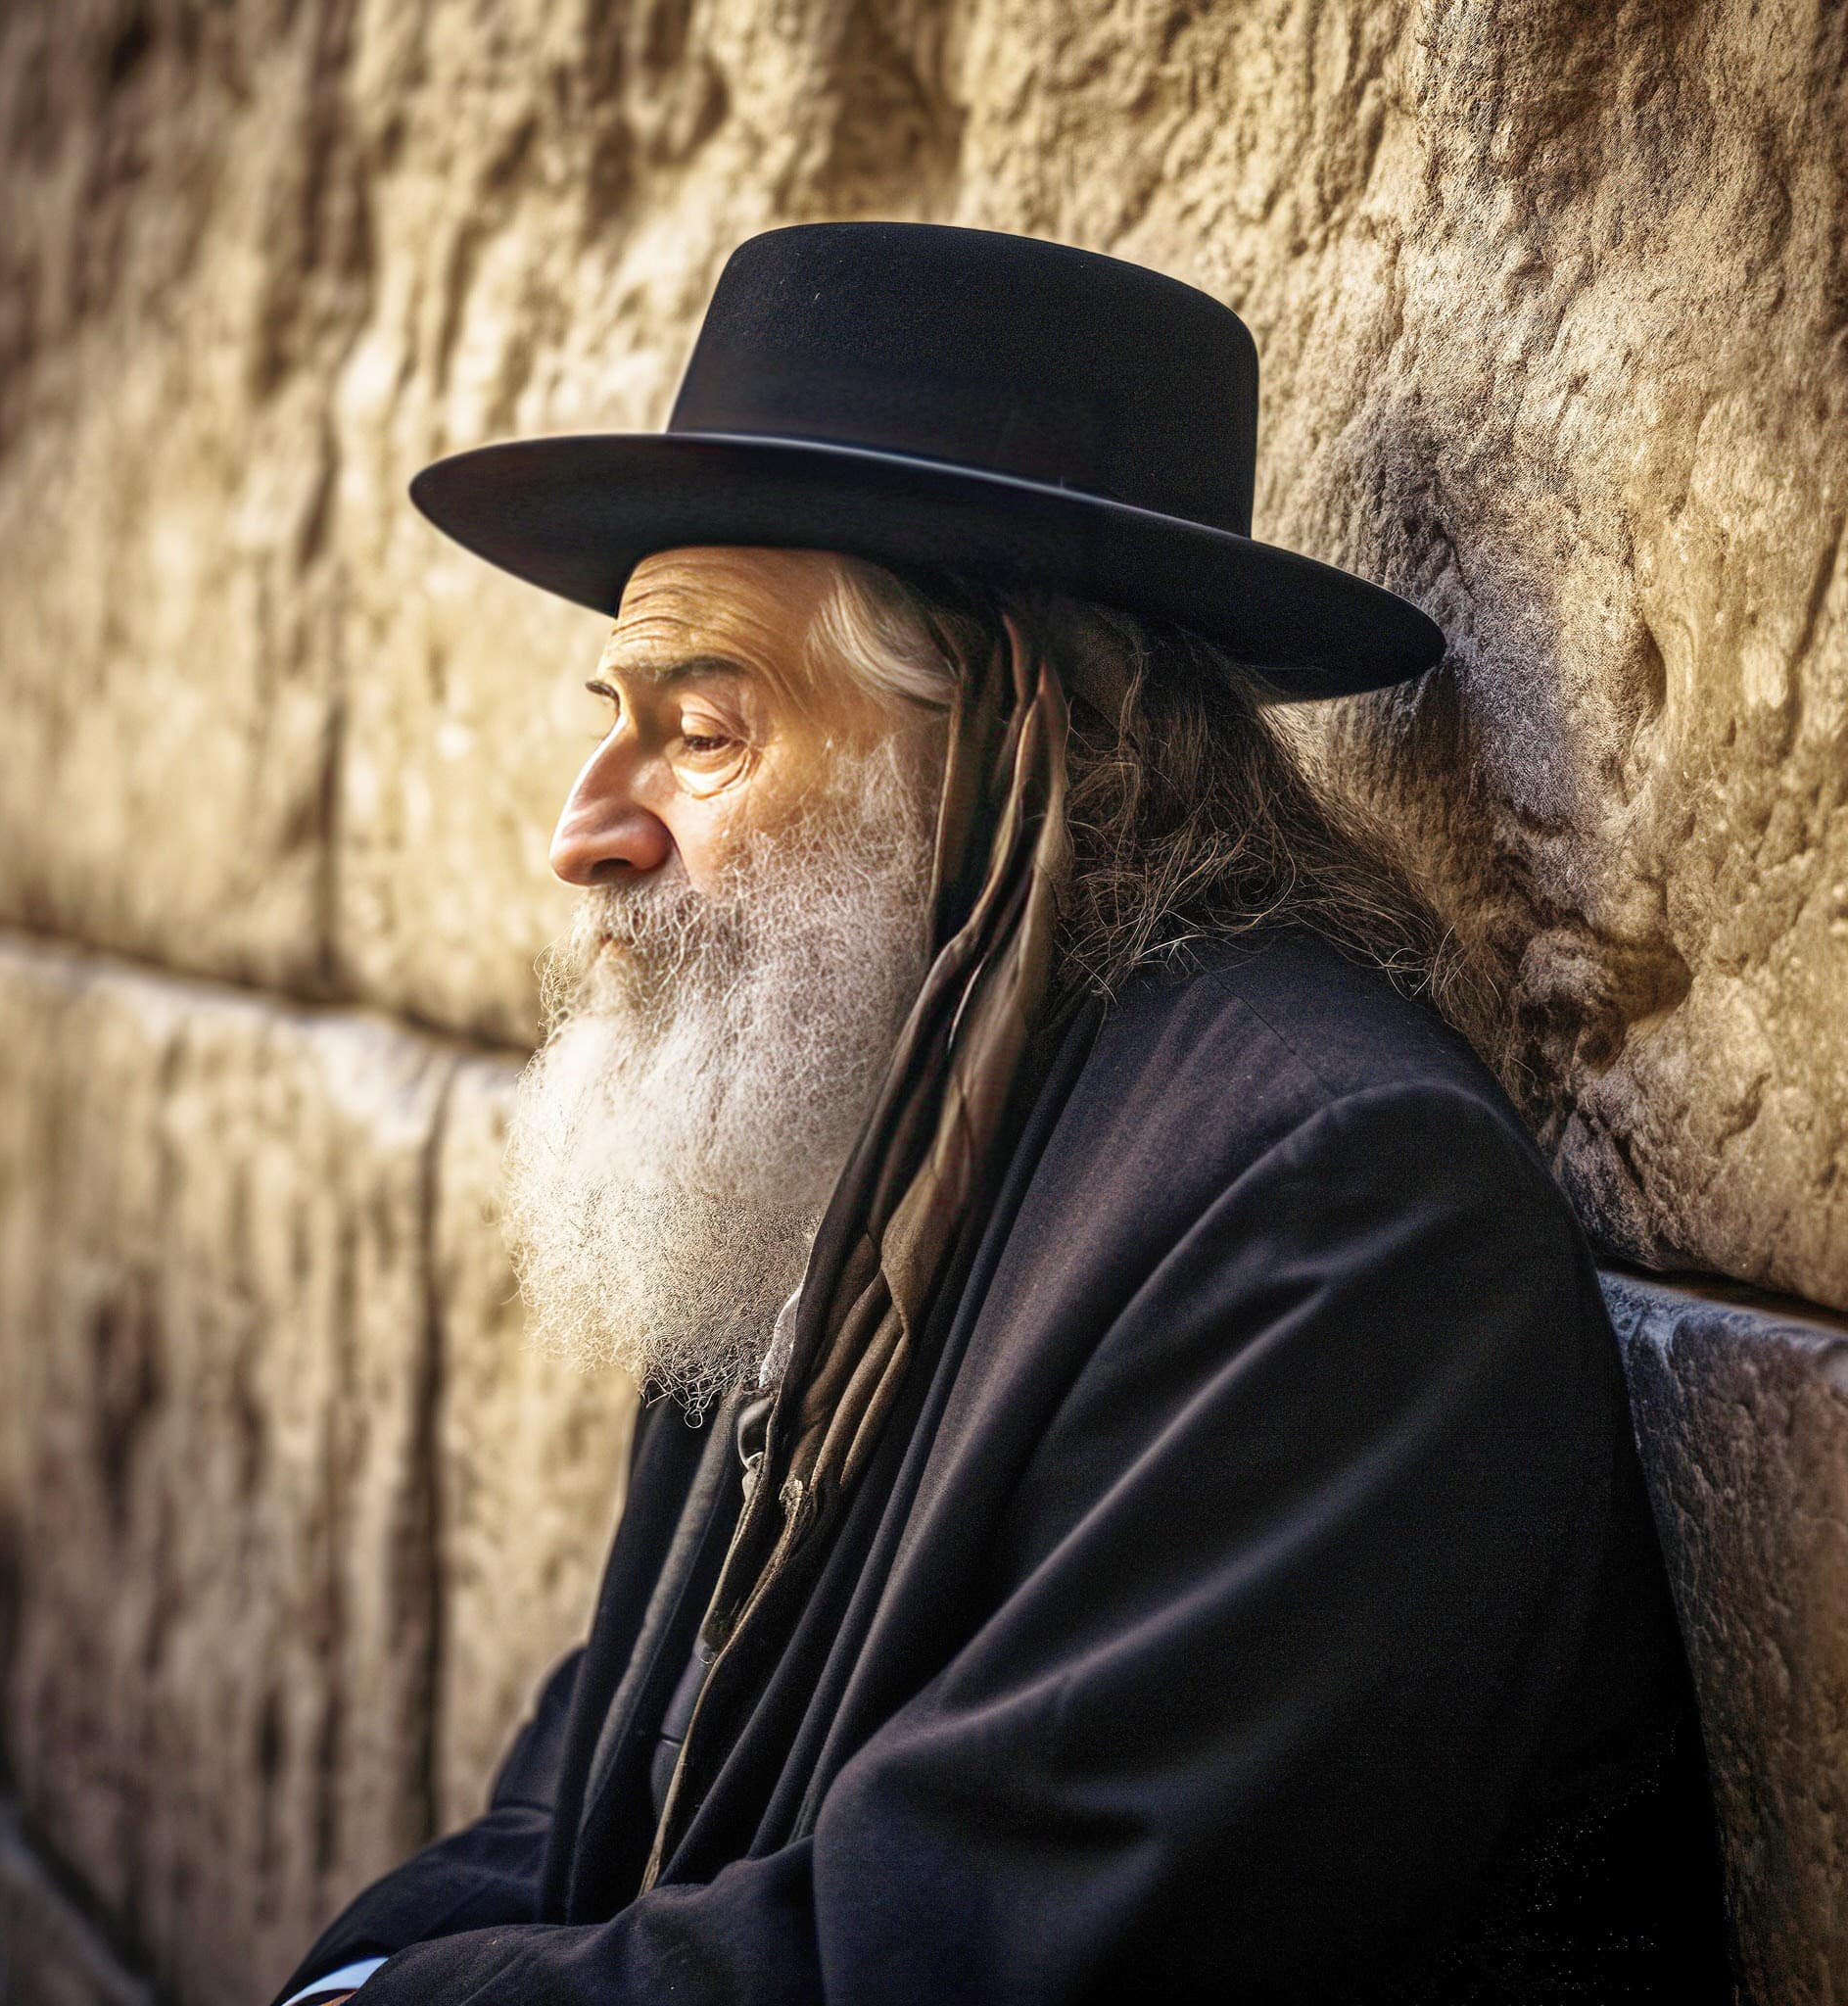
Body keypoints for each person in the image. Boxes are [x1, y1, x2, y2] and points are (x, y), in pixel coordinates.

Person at [270, 223, 1729, 2003]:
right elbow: (592, 1790)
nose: (586, 829)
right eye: (619, 719)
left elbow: (970, 1955)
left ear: (1020, 735)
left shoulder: (1334, 1207)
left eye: (704, 731)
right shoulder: (823, 1127)